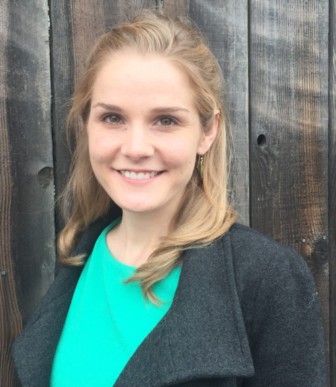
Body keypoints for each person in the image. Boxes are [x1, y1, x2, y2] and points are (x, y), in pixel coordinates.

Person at [12, 9, 326, 387]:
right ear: (86, 126)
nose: (137, 147)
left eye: (166, 120)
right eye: (113, 117)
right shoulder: (82, 255)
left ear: (207, 132)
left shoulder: (267, 279)